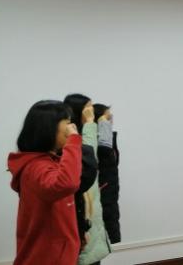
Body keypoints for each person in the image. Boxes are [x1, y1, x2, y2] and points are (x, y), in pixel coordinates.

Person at [8, 100, 82, 265]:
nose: (72, 127)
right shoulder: (36, 167)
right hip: (47, 258)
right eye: (67, 122)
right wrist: (74, 141)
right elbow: (66, 184)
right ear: (49, 128)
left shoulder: (49, 162)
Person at [65, 94, 112, 265]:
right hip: (84, 205)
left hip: (95, 202)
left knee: (92, 253)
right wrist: (91, 122)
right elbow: (89, 156)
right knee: (86, 255)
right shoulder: (72, 139)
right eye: (88, 107)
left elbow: (107, 153)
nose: (91, 110)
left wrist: (103, 123)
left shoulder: (89, 132)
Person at [93, 103, 121, 244]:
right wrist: (104, 124)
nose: (110, 120)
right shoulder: (97, 142)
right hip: (103, 191)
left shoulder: (108, 139)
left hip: (111, 190)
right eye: (106, 117)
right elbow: (104, 152)